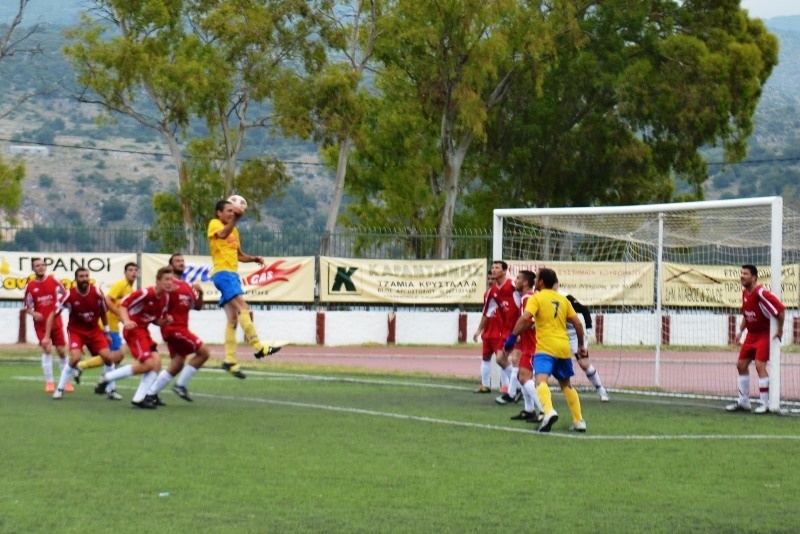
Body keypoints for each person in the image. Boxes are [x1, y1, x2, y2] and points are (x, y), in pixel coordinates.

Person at [504, 267, 587, 433]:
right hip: (563, 347)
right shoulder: (563, 300)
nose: (534, 282)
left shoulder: (537, 298)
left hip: (545, 347)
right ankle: (579, 421)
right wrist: (580, 345)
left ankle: (548, 412)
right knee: (566, 385)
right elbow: (578, 323)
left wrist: (512, 338)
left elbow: (525, 319)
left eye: (536, 279)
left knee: (540, 381)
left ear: (541, 282)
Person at [207, 199, 280, 379]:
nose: (232, 213)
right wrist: (236, 219)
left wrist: (253, 258)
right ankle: (258, 347)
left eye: (234, 211)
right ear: (219, 213)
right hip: (222, 273)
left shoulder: (235, 230)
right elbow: (222, 234)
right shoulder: (215, 224)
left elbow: (239, 255)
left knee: (232, 319)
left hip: (232, 274)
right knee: (244, 308)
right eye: (228, 211)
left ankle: (230, 361)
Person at [94, 266, 176, 409]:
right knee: (149, 363)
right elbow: (124, 305)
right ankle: (107, 378)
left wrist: (164, 322)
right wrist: (126, 321)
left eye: (171, 279)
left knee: (156, 364)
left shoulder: (165, 298)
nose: (170, 282)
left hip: (144, 332)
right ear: (158, 281)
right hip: (134, 331)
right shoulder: (145, 293)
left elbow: (155, 320)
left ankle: (139, 399)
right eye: (166, 279)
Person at [43, 267, 122, 400]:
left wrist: (107, 332)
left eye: (86, 276)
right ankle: (60, 389)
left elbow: (103, 312)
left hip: (94, 331)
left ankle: (111, 390)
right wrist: (46, 336)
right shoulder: (69, 295)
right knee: (75, 358)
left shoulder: (96, 292)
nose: (84, 279)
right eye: (81, 276)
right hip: (76, 332)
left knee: (108, 357)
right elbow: (53, 314)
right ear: (76, 279)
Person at [144, 253, 210, 403]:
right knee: (204, 352)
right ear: (171, 266)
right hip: (173, 328)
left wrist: (200, 293)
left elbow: (198, 307)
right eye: (177, 261)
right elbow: (155, 301)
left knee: (178, 362)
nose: (181, 263)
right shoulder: (168, 285)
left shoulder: (186, 286)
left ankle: (150, 394)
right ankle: (180, 385)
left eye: (182, 261)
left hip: (181, 328)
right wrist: (158, 320)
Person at [726, 264, 785, 414]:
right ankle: (743, 402)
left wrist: (780, 329)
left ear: (754, 277)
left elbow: (781, 309)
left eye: (745, 274)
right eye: (741, 273)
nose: (742, 276)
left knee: (760, 366)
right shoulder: (745, 293)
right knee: (741, 365)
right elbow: (747, 314)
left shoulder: (761, 293)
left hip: (764, 334)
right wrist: (740, 331)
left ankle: (765, 404)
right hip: (751, 335)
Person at [73, 262, 138, 392]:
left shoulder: (130, 289)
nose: (133, 272)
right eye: (130, 270)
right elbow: (107, 300)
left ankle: (101, 379)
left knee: (115, 357)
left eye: (136, 270)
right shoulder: (121, 284)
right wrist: (120, 314)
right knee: (116, 356)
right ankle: (104, 381)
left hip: (114, 326)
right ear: (125, 273)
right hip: (107, 325)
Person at [22, 258, 73, 393]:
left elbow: (66, 293)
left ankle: (66, 381)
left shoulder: (53, 279)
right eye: (37, 265)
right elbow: (26, 307)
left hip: (56, 322)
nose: (41, 267)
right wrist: (34, 314)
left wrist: (61, 305)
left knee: (62, 352)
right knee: (47, 349)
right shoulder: (30, 286)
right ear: (33, 269)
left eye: (43, 265)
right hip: (41, 325)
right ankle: (49, 381)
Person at [472, 261, 520, 394]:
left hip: (520, 329)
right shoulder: (492, 292)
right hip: (507, 330)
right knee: (500, 359)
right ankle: (517, 387)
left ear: (504, 271)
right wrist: (479, 330)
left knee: (517, 360)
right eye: (492, 268)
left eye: (497, 268)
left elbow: (527, 301)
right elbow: (486, 313)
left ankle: (516, 387)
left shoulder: (513, 286)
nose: (493, 270)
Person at [504, 270, 544, 422]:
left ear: (526, 282)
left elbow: (530, 321)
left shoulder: (528, 298)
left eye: (518, 278)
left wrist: (514, 336)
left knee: (524, 377)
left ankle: (544, 410)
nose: (515, 280)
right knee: (522, 377)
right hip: (528, 343)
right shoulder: (527, 297)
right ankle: (529, 410)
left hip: (533, 344)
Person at [564, 293, 610, 402]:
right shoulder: (539, 297)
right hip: (557, 334)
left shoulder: (564, 297)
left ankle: (601, 390)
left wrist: (589, 331)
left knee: (584, 364)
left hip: (574, 334)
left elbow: (584, 310)